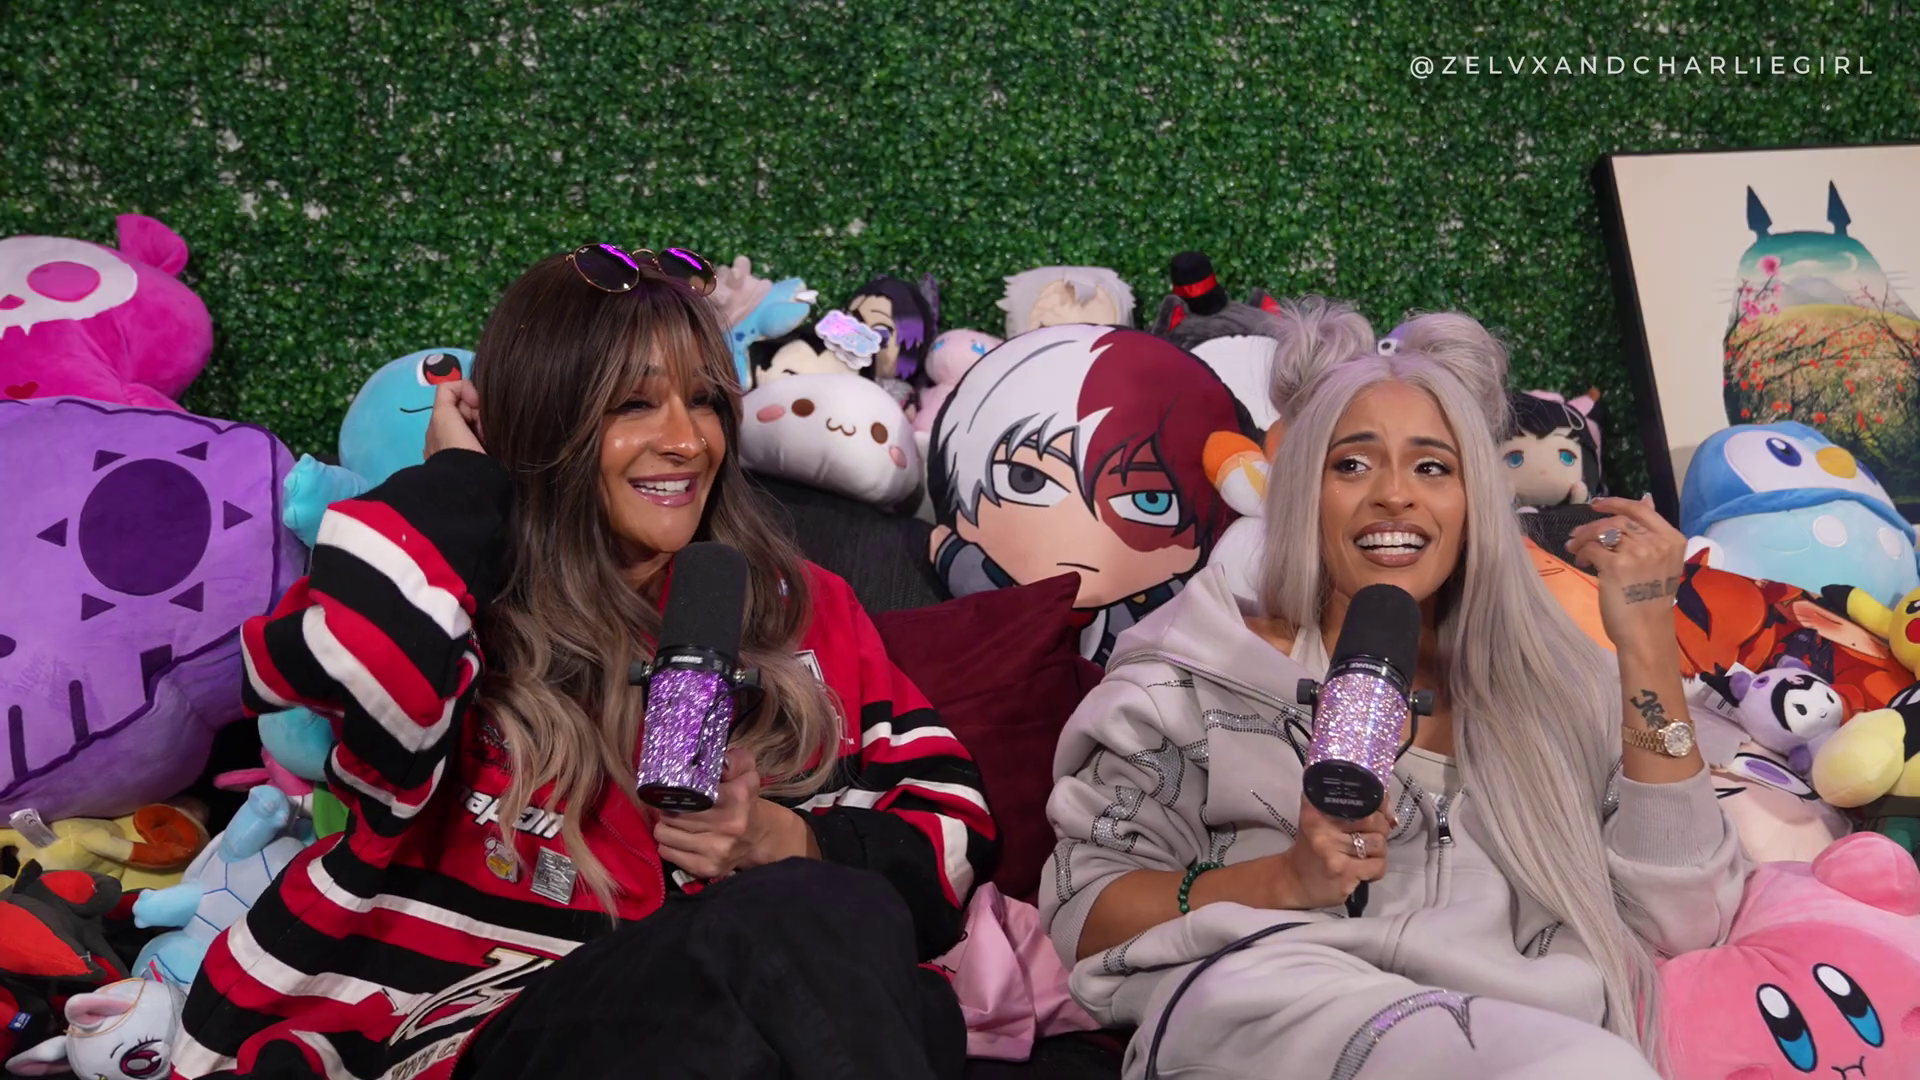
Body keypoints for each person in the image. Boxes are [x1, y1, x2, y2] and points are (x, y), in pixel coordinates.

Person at [171, 244, 998, 1080]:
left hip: (734, 1026)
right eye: (632, 404)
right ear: (543, 423)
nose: (687, 441)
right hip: (460, 1033)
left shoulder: (797, 603)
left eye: (705, 401)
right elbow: (345, 657)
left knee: (885, 979)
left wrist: (785, 839)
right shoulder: (458, 589)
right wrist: (461, 477)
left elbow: (954, 826)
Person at [1041, 301, 1745, 1079]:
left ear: (1476, 504)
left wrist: (1645, 644)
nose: (1394, 495)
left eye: (1433, 467)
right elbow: (1084, 907)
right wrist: (1283, 880)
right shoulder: (1192, 677)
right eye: (1352, 465)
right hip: (1272, 1009)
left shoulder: (1562, 691)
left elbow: (1685, 918)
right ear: (1304, 493)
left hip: (1532, 1033)